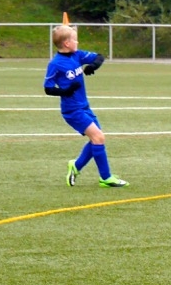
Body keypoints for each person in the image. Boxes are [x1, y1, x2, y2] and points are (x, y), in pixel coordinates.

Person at [43, 25, 128, 188]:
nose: (77, 42)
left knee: (97, 139)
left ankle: (76, 166)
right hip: (72, 110)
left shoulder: (77, 55)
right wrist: (66, 91)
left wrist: (93, 66)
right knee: (98, 138)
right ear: (67, 43)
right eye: (75, 39)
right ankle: (106, 177)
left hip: (85, 106)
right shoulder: (55, 64)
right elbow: (48, 88)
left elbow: (99, 57)